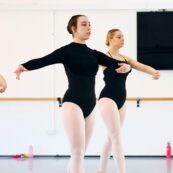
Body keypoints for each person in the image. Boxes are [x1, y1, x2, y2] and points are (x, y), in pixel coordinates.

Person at [14, 15, 128, 173]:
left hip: (90, 105)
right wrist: (23, 66)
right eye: (84, 24)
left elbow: (118, 64)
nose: (89, 27)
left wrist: (126, 67)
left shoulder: (94, 54)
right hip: (72, 104)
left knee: (80, 154)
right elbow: (44, 60)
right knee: (77, 152)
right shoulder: (66, 51)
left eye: (90, 24)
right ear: (74, 29)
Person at [97, 29, 160, 173]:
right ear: (110, 39)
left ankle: (101, 170)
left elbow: (141, 66)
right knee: (116, 136)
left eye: (123, 36)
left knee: (110, 136)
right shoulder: (103, 57)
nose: (123, 39)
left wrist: (153, 72)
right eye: (119, 37)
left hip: (121, 101)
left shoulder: (126, 58)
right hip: (107, 99)